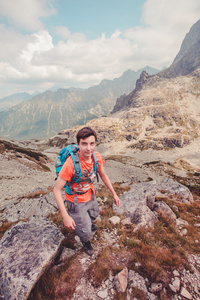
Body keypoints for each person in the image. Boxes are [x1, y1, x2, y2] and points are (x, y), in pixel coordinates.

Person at [53, 127, 120, 256]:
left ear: (95, 144)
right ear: (78, 144)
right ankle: (85, 240)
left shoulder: (97, 157)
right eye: (84, 144)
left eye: (92, 143)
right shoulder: (70, 164)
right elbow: (56, 190)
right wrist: (65, 216)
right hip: (76, 202)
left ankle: (87, 223)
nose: (88, 148)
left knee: (94, 214)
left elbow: (104, 175)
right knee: (86, 232)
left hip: (90, 194)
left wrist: (114, 193)